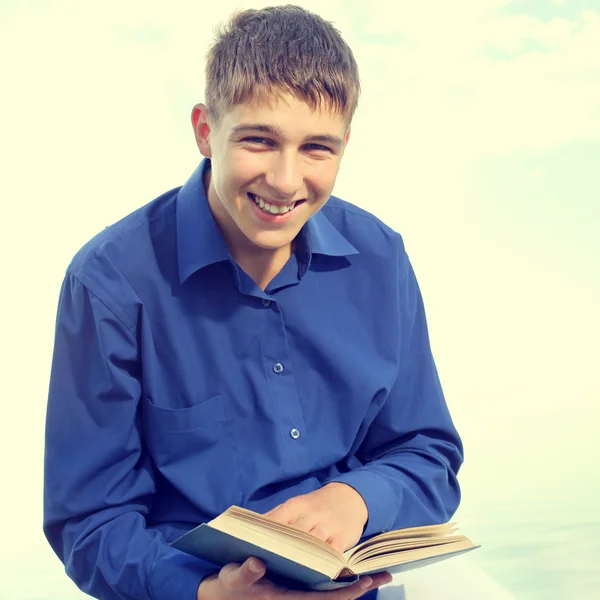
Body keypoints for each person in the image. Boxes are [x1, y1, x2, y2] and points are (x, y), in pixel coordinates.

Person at [43, 6, 466, 600]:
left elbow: (428, 451)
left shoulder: (381, 258)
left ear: (346, 143)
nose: (287, 180)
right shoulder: (109, 283)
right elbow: (89, 522)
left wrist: (357, 499)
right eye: (260, 140)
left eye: (317, 148)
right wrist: (208, 593)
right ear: (204, 129)